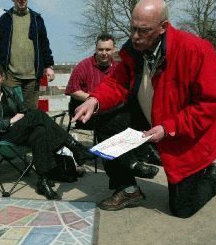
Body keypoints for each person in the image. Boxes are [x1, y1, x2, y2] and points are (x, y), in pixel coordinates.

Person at [73, 0, 216, 218]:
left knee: (182, 209)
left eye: (143, 30)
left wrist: (168, 128)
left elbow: (211, 103)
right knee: (104, 119)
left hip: (186, 132)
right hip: (147, 119)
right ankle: (128, 189)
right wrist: (94, 100)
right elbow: (117, 82)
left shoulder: (197, 50)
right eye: (132, 28)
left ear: (163, 27)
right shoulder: (134, 50)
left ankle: (210, 174)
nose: (134, 36)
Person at [0, 61, 94, 200]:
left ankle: (43, 181)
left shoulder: (10, 92)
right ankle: (75, 147)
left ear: (3, 78)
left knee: (40, 131)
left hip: (16, 132)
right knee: (38, 114)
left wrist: (20, 118)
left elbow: (24, 111)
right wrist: (9, 121)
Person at [66, 33, 160, 179]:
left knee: (136, 114)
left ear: (114, 50)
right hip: (86, 113)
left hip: (112, 110)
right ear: (96, 49)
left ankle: (143, 154)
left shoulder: (119, 67)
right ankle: (130, 164)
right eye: (101, 49)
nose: (104, 53)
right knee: (111, 121)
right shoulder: (84, 65)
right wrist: (94, 99)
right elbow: (73, 90)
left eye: (108, 50)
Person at [0, 0, 55, 110]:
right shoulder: (5, 19)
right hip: (10, 76)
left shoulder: (37, 19)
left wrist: (48, 66)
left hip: (32, 77)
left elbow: (44, 44)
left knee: (31, 113)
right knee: (12, 111)